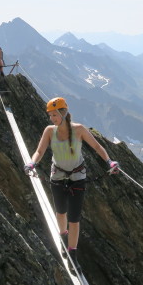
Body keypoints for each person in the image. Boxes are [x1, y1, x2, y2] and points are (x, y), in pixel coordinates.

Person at [24, 97, 119, 274]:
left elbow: (97, 147)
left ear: (63, 113)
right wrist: (32, 163)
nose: (52, 119)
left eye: (54, 115)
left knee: (74, 219)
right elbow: (40, 151)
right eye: (50, 115)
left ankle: (72, 254)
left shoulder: (79, 129)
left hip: (77, 178)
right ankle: (63, 238)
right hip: (59, 176)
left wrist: (109, 161)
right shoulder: (49, 131)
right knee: (61, 213)